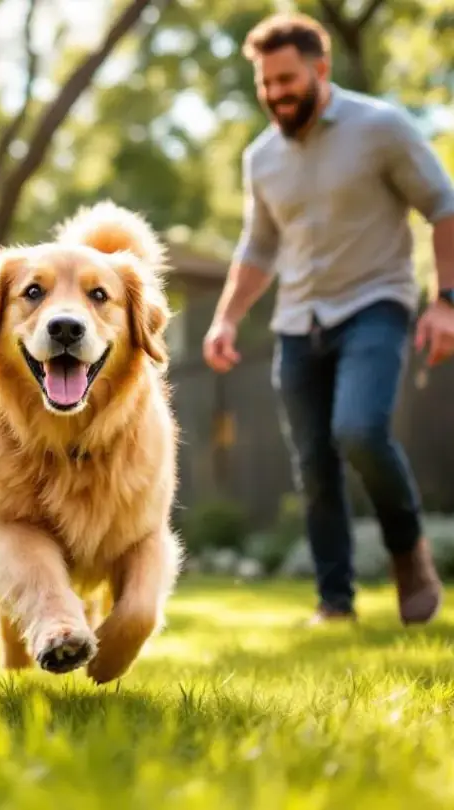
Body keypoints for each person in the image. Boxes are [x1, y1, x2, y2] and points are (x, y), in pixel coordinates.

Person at [202, 12, 454, 625]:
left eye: (286, 79)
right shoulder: (261, 157)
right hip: (297, 321)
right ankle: (334, 601)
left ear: (320, 68)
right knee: (314, 464)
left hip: (375, 304)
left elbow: (443, 205)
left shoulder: (382, 127)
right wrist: (226, 319)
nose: (275, 94)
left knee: (360, 431)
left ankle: (408, 554)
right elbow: (258, 248)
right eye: (265, 83)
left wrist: (447, 300)